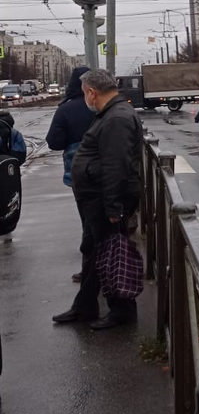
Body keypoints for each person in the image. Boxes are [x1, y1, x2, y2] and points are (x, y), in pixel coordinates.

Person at [51, 68, 143, 330]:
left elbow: (117, 166)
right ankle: (85, 306)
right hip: (98, 198)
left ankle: (122, 310)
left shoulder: (117, 118)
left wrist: (114, 207)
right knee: (93, 252)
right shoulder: (112, 113)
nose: (85, 99)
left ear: (92, 92)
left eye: (84, 94)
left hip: (105, 200)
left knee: (111, 255)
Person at [45, 65, 94, 282]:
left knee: (88, 220)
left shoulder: (65, 109)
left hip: (79, 172)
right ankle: (116, 265)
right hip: (111, 169)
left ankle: (91, 271)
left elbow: (54, 142)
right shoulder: (102, 105)